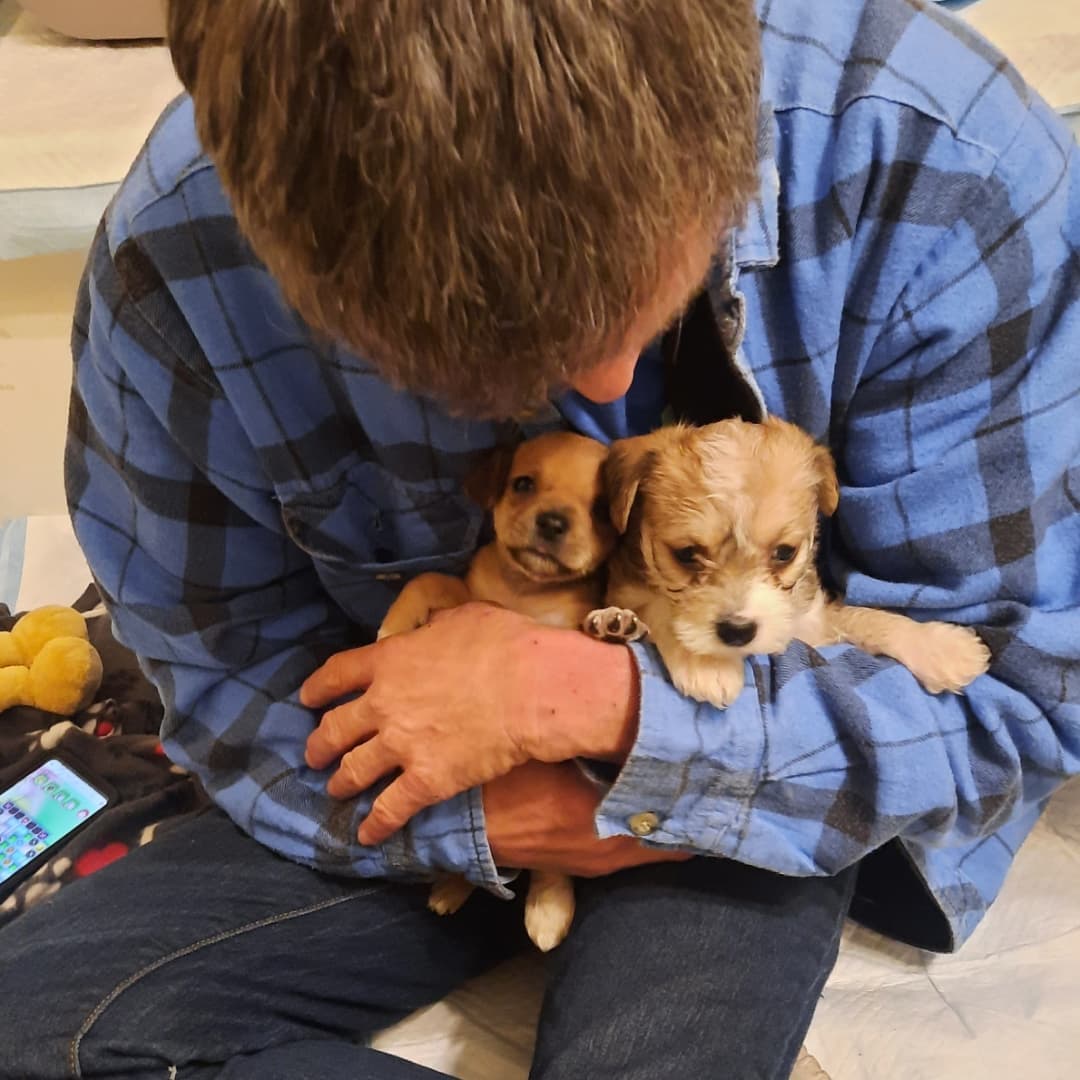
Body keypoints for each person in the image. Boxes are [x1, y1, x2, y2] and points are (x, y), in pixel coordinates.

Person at [1, 0, 1077, 1076]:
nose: (609, 401)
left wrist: (604, 710)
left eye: (639, 311)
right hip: (407, 784)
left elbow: (1020, 692)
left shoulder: (945, 159)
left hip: (771, 760)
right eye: (481, 372)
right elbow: (224, 679)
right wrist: (485, 815)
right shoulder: (180, 269)